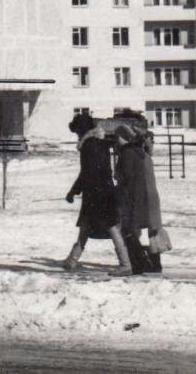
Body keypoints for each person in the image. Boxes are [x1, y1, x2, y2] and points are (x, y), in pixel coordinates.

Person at [64, 112, 129, 272]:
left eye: (77, 131)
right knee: (88, 226)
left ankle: (126, 264)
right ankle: (71, 260)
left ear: (81, 130)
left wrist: (73, 191)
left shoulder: (88, 145)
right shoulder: (98, 143)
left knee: (110, 227)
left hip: (96, 194)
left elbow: (87, 172)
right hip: (103, 191)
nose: (77, 135)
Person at [114, 122, 164, 276]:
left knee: (128, 229)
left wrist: (119, 190)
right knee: (151, 230)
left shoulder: (128, 153)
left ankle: (139, 263)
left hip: (136, 198)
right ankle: (154, 264)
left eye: (116, 137)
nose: (115, 141)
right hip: (149, 196)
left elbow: (127, 178)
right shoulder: (141, 152)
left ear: (122, 137)